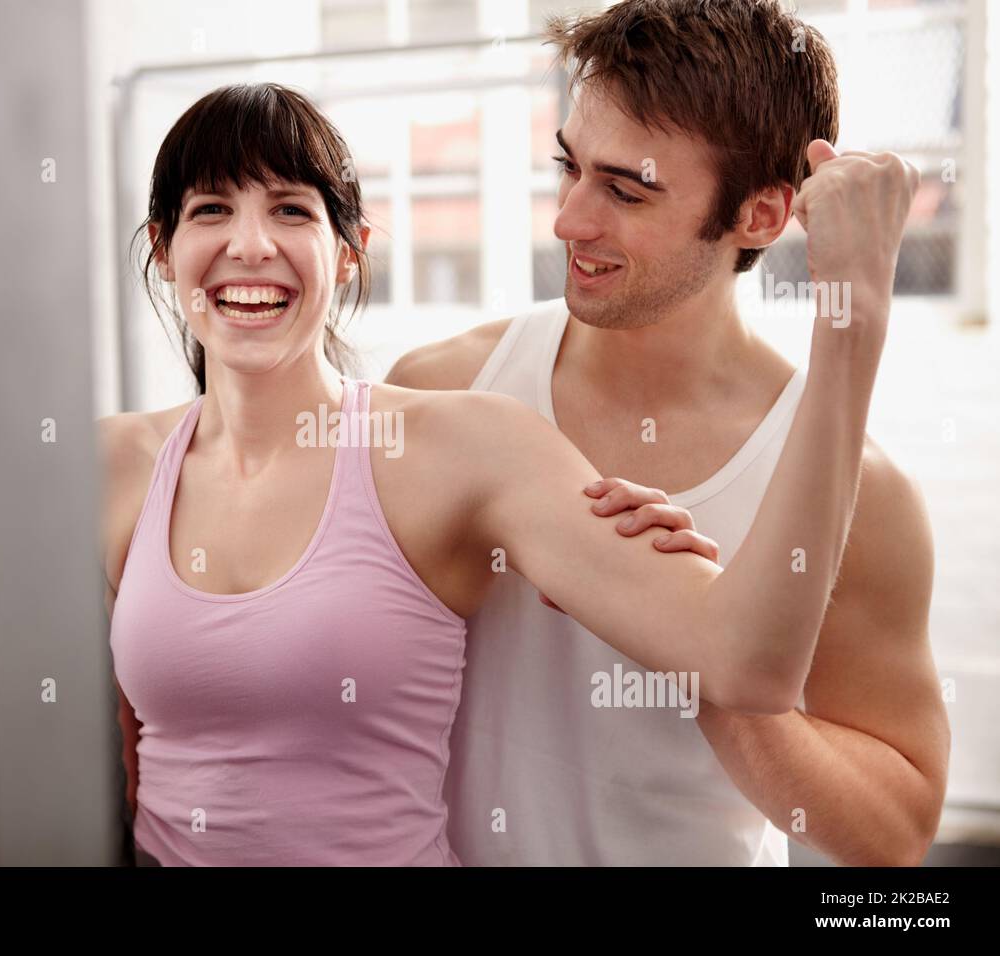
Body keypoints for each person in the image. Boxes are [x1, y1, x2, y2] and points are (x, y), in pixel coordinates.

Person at [100, 76, 917, 865]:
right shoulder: (114, 468)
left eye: (290, 209)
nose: (567, 221)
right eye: (211, 209)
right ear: (163, 250)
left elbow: (754, 671)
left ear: (350, 253)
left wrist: (854, 315)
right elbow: (127, 766)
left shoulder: (464, 439)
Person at [389, 0, 950, 866]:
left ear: (759, 218)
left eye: (624, 190)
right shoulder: (444, 391)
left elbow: (893, 836)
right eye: (569, 169)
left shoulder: (856, 492)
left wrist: (707, 652)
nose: (570, 221)